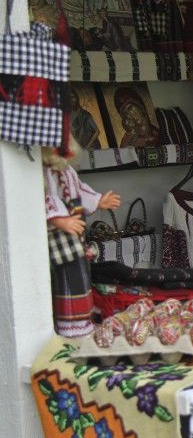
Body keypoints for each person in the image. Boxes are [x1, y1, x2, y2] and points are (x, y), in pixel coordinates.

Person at [44, 137, 121, 337]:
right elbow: (46, 199)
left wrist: (99, 201)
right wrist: (61, 221)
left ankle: (84, 320)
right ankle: (71, 325)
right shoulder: (46, 173)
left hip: (75, 231)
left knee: (82, 273)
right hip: (61, 237)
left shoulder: (67, 170)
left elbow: (80, 189)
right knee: (69, 277)